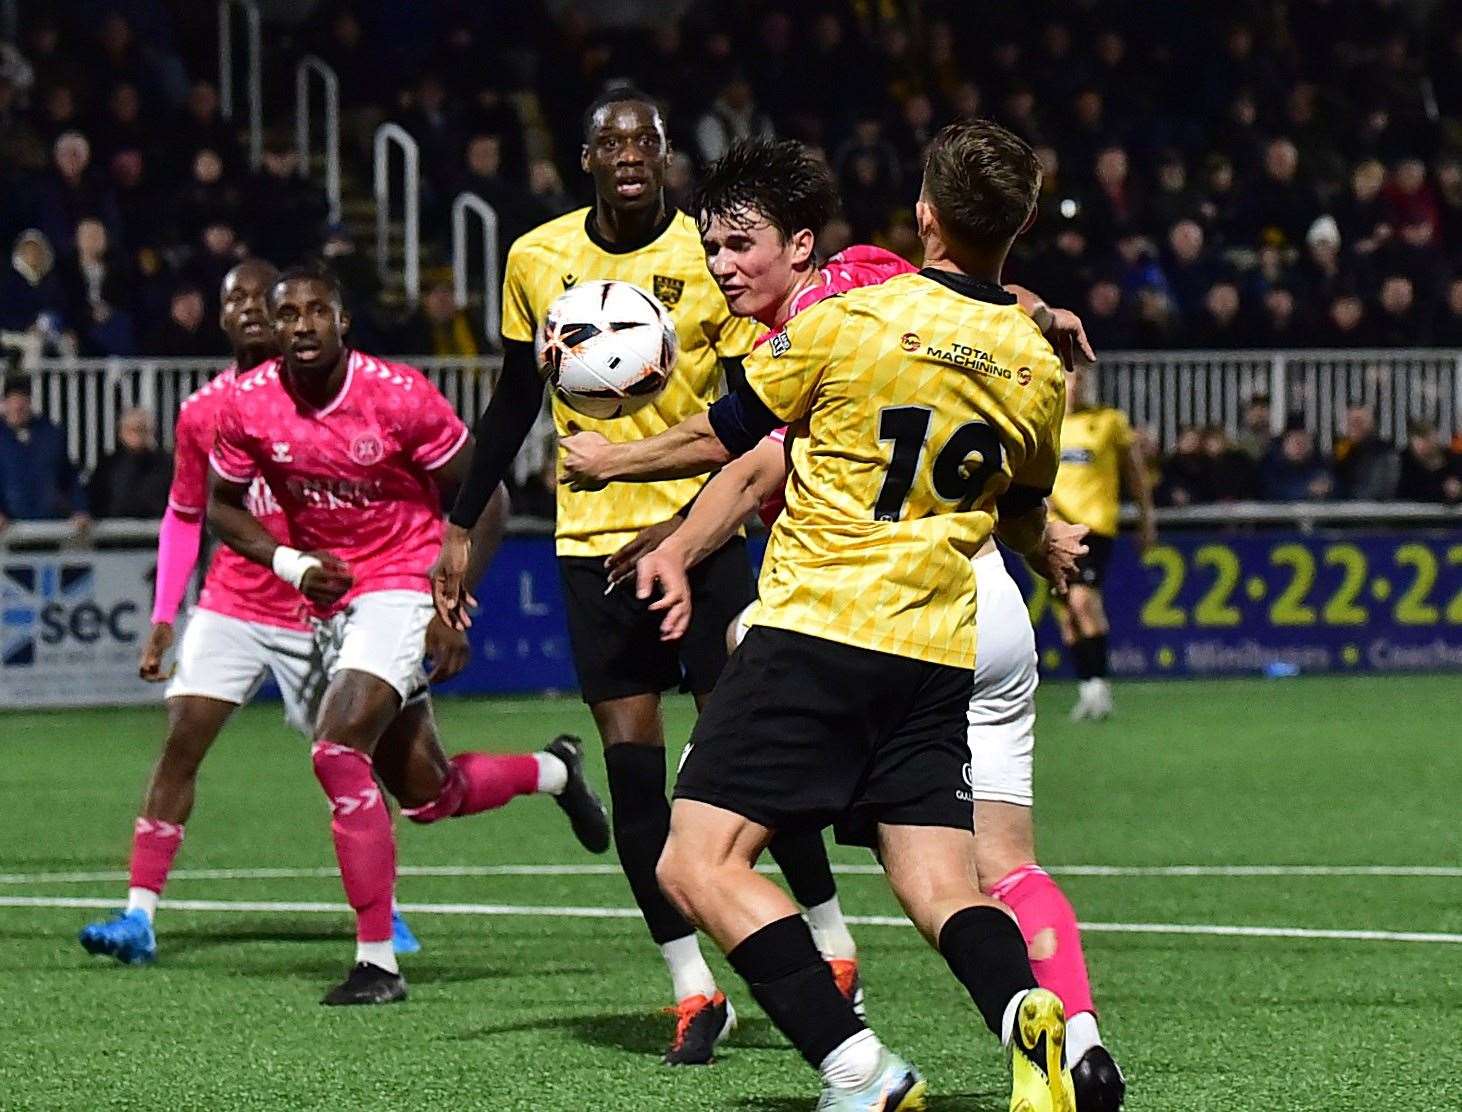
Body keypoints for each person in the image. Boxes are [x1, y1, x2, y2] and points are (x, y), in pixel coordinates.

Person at [560, 136, 1125, 1110]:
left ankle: (859, 1069)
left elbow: (740, 439)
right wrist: (1047, 538)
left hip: (822, 626)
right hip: (940, 644)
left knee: (695, 858)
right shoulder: (1036, 373)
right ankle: (1026, 1013)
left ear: (923, 216)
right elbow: (1022, 510)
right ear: (1020, 225)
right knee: (945, 884)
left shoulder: (853, 315)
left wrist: (630, 476)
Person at [430, 89, 857, 1064]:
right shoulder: (536, 258)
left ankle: (829, 938)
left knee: (748, 749)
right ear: (584, 157)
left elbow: (753, 411)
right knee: (634, 777)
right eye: (610, 139)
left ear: (666, 157)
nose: (628, 152)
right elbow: (509, 401)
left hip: (702, 534)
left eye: (645, 139)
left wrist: (685, 524)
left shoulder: (716, 262)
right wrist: (460, 524)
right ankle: (692, 985)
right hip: (591, 545)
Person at [204, 268, 610, 1005]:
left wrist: (450, 603)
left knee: (335, 748)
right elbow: (222, 508)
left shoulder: (397, 396)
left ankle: (377, 962)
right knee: (429, 794)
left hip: (404, 581)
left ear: (344, 321)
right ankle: (555, 770)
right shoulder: (245, 406)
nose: (301, 325)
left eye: (317, 311)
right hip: (336, 606)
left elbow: (485, 495)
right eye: (286, 313)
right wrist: (290, 563)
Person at [79, 262, 416, 964]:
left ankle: (386, 911)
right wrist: (165, 614)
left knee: (352, 759)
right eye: (234, 299)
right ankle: (138, 916)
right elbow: (184, 516)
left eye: (264, 299)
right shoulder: (205, 410)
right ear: (223, 318)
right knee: (182, 740)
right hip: (232, 602)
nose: (252, 310)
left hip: (318, 611)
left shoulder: (335, 397)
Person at [1049, 362, 1156, 721]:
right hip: (1051, 532)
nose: (1076, 386)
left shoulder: (1109, 422)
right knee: (1065, 614)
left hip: (1093, 528)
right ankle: (1088, 689)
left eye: (1081, 379)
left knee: (1083, 603)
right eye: (1069, 379)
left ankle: (1101, 687)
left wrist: (1146, 520)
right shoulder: (1044, 423)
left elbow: (1135, 474)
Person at [0, 375, 89, 531]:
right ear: (4, 402)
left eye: (23, 399)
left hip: (49, 526)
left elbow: (68, 476)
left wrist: (80, 509)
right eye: (12, 399)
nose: (18, 405)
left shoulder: (51, 434)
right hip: (8, 531)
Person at [87, 406, 170, 517]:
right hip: (114, 531)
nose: (137, 436)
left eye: (142, 429)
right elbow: (96, 500)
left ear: (151, 432)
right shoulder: (108, 466)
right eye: (132, 430)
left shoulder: (165, 464)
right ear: (121, 432)